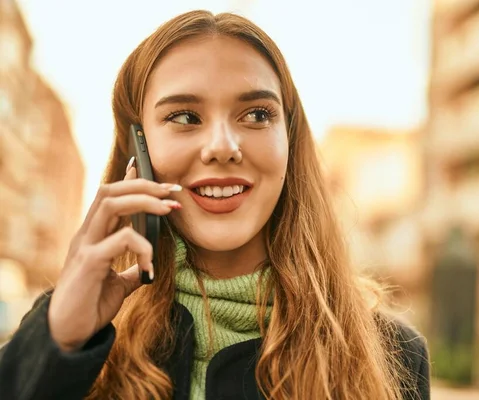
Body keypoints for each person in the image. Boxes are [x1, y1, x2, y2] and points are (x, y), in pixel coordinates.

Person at [0, 10, 430, 400]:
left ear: (290, 141)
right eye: (185, 117)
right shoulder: (70, 334)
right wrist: (57, 346)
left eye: (258, 115)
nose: (222, 147)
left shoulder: (392, 354)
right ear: (139, 150)